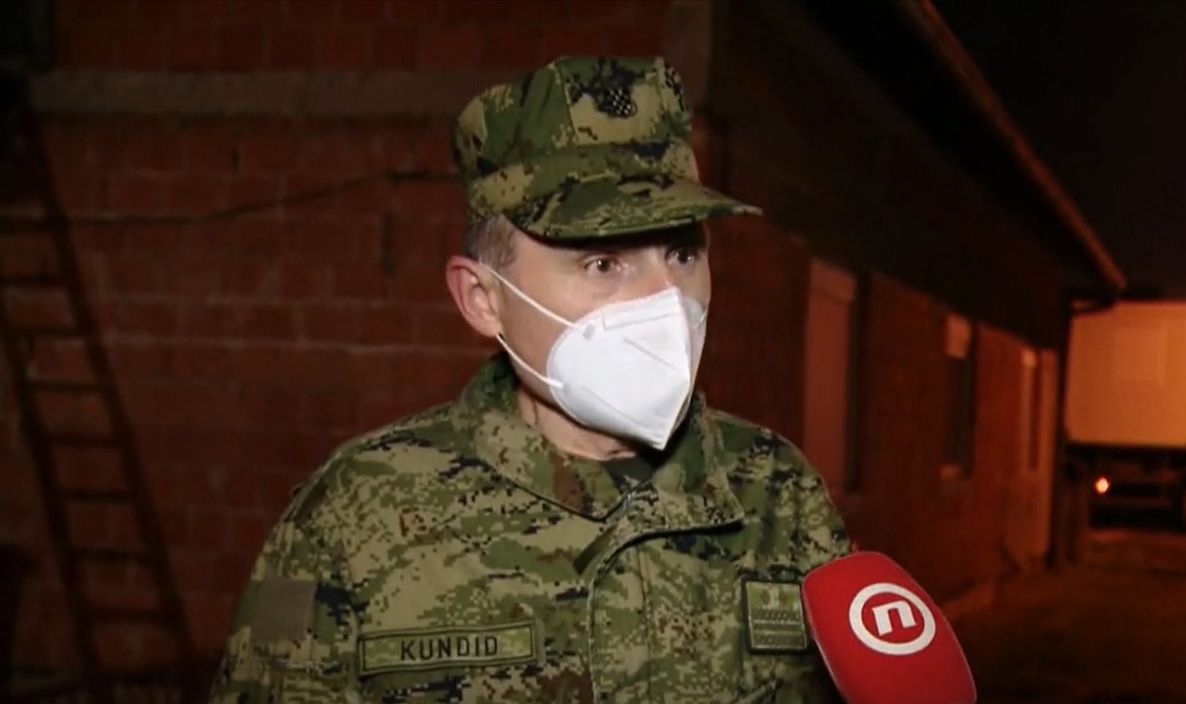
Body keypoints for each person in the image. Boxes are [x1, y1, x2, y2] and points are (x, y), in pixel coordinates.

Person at [209, 55, 851, 703]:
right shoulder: (357, 513)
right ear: (483, 300)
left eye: (683, 253)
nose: (667, 299)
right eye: (603, 263)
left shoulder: (778, 493)